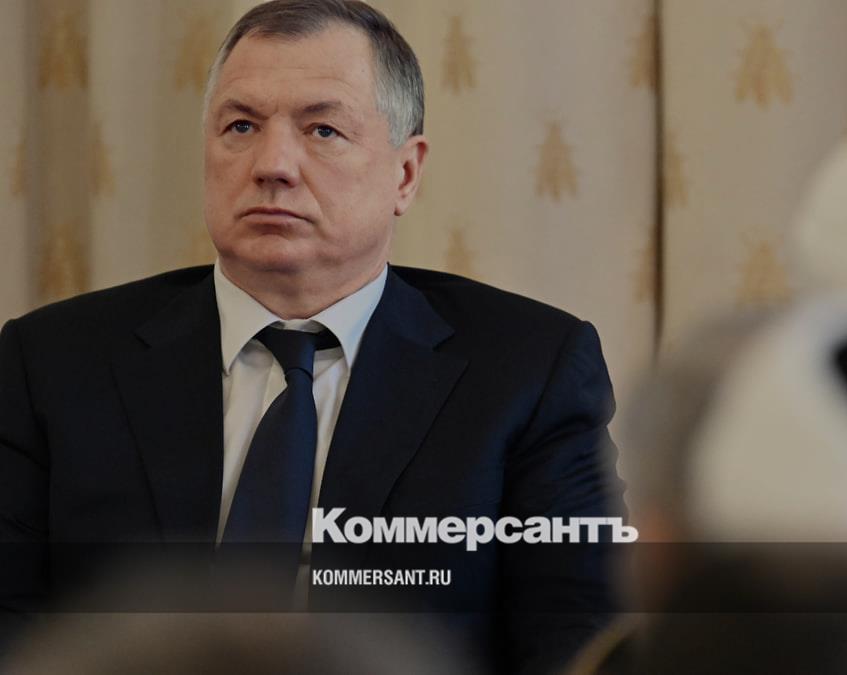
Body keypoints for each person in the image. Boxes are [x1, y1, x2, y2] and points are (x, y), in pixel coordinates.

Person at [0, 1, 624, 673]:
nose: (273, 164)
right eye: (241, 126)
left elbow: (580, 644)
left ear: (405, 174)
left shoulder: (528, 372)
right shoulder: (52, 364)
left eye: (323, 129)